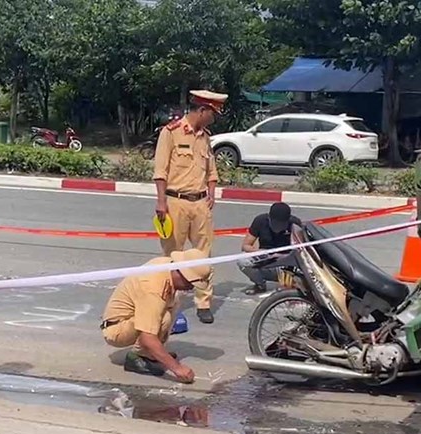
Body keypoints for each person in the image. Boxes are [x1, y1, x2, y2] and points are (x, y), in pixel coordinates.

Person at [153, 90, 228, 325]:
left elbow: (211, 170)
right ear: (202, 110)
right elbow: (160, 170)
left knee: (203, 254)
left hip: (200, 203)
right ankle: (168, 300)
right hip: (175, 202)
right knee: (172, 255)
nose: (213, 119)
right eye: (212, 114)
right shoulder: (170, 132)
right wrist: (161, 202)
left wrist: (211, 192)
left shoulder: (205, 137)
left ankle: (203, 302)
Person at [101, 249, 212, 384]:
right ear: (180, 273)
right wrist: (177, 368)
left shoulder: (167, 266)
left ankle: (152, 353)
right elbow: (147, 336)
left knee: (172, 302)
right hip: (116, 328)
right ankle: (137, 357)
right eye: (190, 283)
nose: (191, 287)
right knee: (163, 318)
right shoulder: (152, 288)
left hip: (131, 318)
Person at [238, 202, 302, 295]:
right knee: (242, 261)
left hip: (286, 263)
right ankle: (260, 284)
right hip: (266, 260)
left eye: (282, 224)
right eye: (276, 224)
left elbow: (302, 249)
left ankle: (293, 284)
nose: (279, 227)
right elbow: (245, 246)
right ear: (269, 218)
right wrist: (260, 252)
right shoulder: (260, 221)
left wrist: (284, 256)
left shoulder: (295, 224)